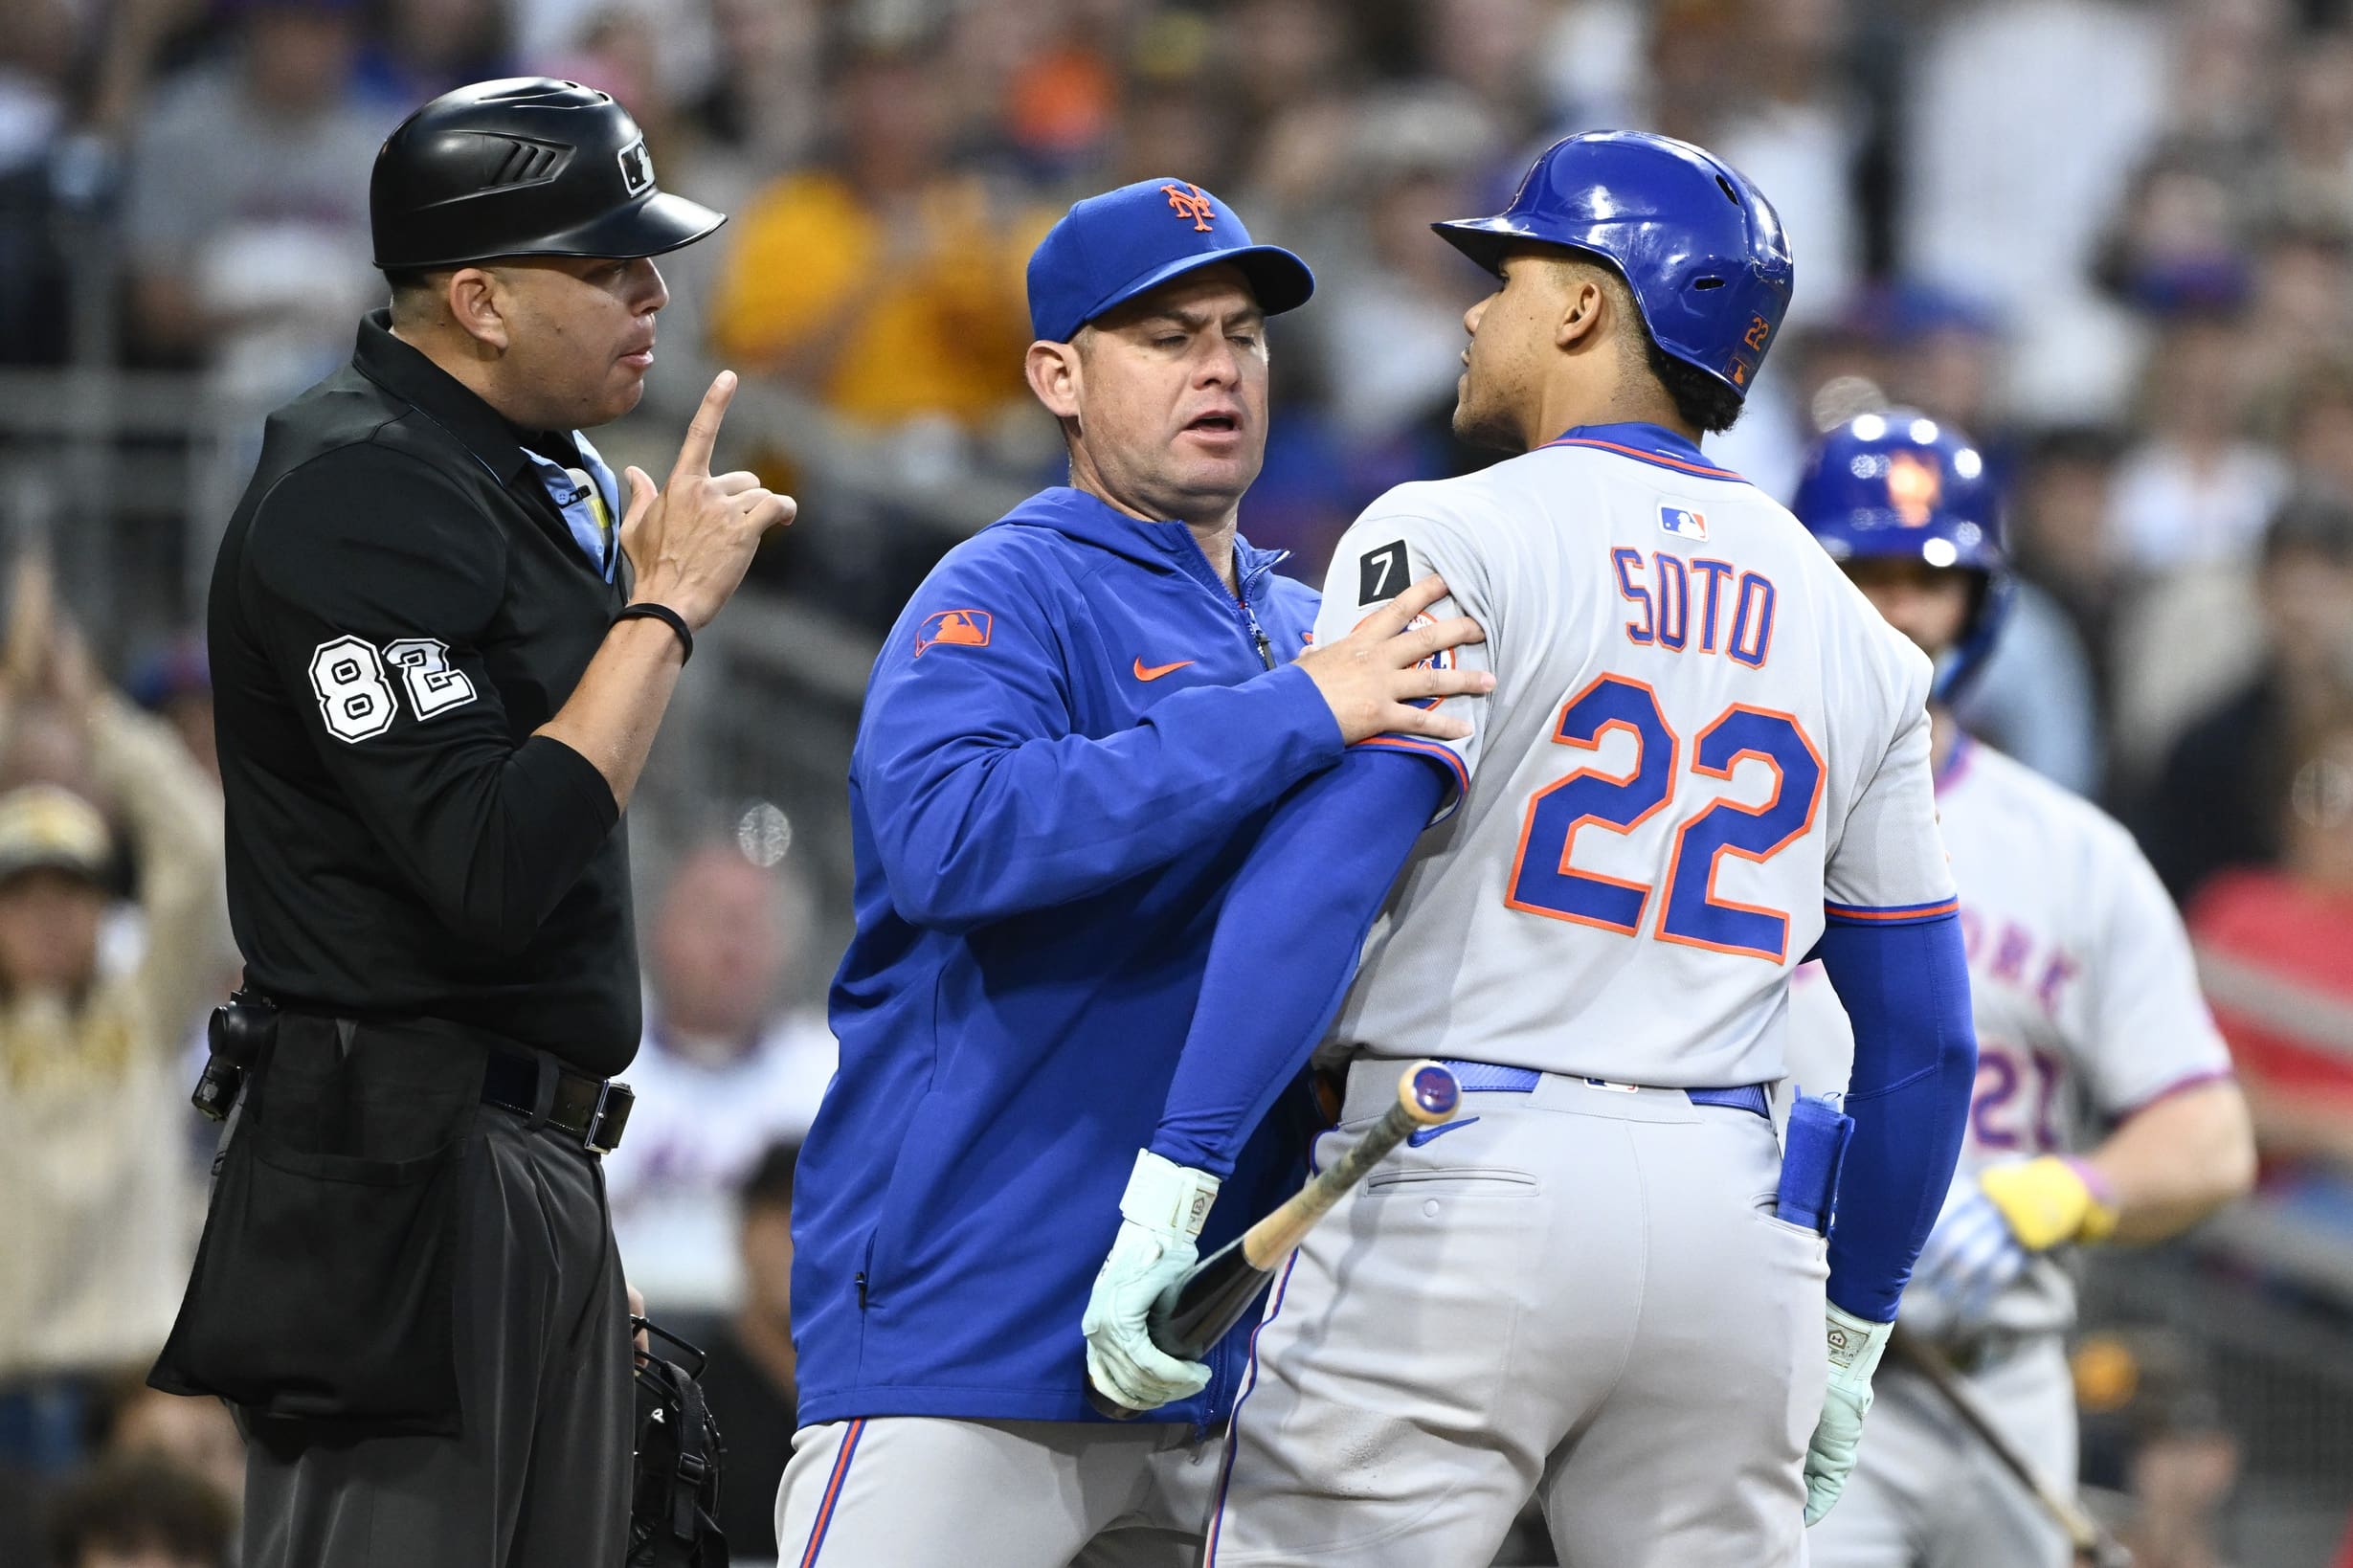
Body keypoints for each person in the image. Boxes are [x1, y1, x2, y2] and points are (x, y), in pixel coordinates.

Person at [1111, 130, 1980, 1566]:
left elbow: (1327, 870)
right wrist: (1855, 1316)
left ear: (1583, 305)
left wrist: (1178, 1175)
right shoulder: (1852, 626)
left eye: (1507, 274)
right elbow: (1921, 1041)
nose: (1473, 307)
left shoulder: (1458, 526)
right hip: (1733, 1218)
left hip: (1460, 1173)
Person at [775, 175, 1492, 1565]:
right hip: (968, 1330)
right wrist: (1298, 711)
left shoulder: (1311, 626)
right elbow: (950, 836)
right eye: (1165, 337)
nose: (1219, 364)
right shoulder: (1003, 586)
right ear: (1057, 372)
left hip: (1216, 1361)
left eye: (1241, 333)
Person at [148, 78, 789, 1567]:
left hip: (518, 1157)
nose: (650, 291)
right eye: (607, 263)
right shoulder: (360, 488)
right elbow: (492, 865)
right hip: (401, 1192)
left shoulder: (512, 475)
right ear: (482, 299)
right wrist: (663, 610)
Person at [1783, 412, 2255, 1568]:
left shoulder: (2073, 851)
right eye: (1862, 572)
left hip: (2007, 1385)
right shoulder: (1733, 812)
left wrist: (2055, 1194)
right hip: (1797, 1378)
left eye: (1930, 577)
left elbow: (2209, 1140)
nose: (1898, 608)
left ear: (1982, 603)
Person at [0, 573, 228, 1482]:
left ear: (106, 907)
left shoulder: (145, 1006)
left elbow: (200, 850)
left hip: (129, 1398)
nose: (50, 917)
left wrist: (91, 710)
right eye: (22, 896)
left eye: (74, 891)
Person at [606, 844, 835, 1308]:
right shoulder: (596, 1057)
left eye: (753, 922)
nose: (732, 947)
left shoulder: (830, 1074)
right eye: (711, 917)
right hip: (609, 1339)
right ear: (656, 927)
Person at [693, 1140, 804, 1561]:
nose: (800, 1236)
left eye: (820, 1216)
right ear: (744, 1230)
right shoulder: (684, 1405)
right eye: (782, 1212)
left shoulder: (875, 1412)